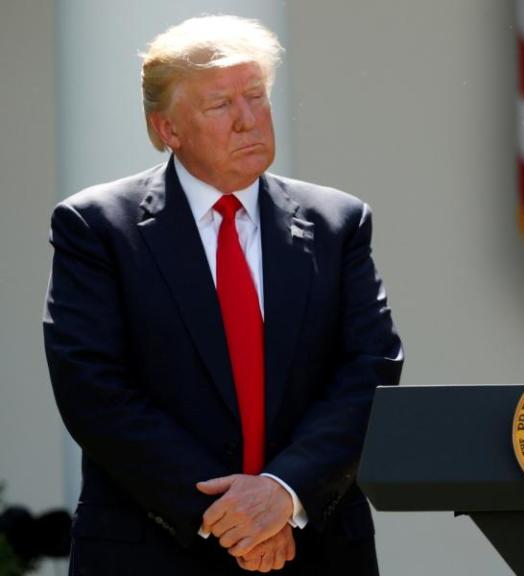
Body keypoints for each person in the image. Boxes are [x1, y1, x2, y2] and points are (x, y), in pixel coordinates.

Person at [43, 15, 402, 575]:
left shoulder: (338, 222)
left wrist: (284, 493)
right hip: (153, 549)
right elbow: (94, 387)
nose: (248, 120)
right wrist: (233, 517)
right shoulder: (98, 227)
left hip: (317, 547)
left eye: (256, 96)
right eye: (221, 106)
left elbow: (370, 370)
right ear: (168, 129)